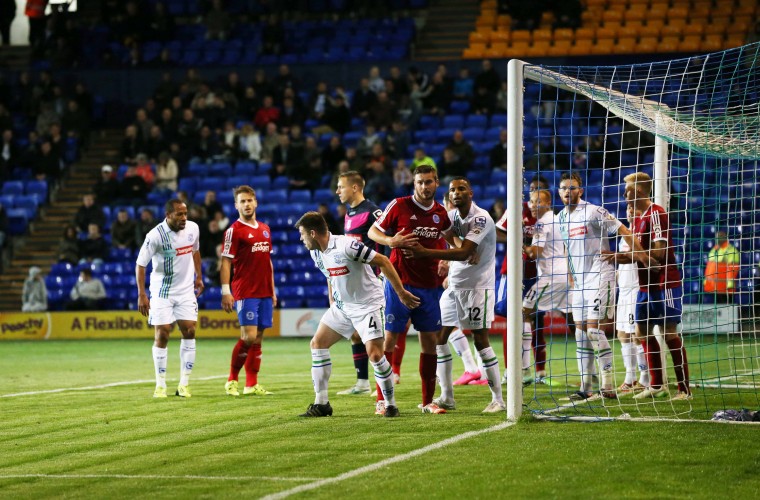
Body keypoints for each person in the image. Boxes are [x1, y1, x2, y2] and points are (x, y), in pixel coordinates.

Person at [294, 211, 420, 417]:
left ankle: (390, 404)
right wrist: (332, 299)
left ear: (313, 233)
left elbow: (383, 261)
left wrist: (401, 293)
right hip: (343, 307)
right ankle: (322, 403)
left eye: (302, 234)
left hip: (368, 305)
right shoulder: (315, 252)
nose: (301, 239)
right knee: (317, 344)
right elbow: (330, 275)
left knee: (376, 355)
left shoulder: (347, 246)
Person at [403, 177, 504, 412]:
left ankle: (498, 399)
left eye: (461, 189)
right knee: (440, 338)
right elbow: (449, 240)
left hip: (478, 287)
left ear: (471, 193)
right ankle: (447, 396)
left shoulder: (480, 218)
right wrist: (442, 260)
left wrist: (425, 254)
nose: (456, 193)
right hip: (454, 287)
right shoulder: (451, 217)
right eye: (452, 190)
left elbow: (465, 252)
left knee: (480, 340)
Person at [368, 164, 451, 414]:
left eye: (428, 182)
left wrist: (447, 259)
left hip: (430, 286)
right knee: (390, 338)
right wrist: (390, 240)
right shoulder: (399, 205)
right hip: (398, 282)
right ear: (413, 184)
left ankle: (427, 402)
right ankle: (382, 400)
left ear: (436, 182)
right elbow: (373, 232)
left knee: (430, 342)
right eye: (420, 182)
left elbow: (451, 240)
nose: (424, 187)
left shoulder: (440, 212)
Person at [603, 172, 690, 400]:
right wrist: (614, 256)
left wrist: (638, 256)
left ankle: (684, 389)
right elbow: (638, 256)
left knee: (668, 332)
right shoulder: (640, 218)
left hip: (664, 282)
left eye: (627, 191)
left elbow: (659, 253)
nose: (624, 195)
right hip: (645, 285)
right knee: (641, 331)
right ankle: (657, 385)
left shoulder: (656, 214)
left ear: (638, 192)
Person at [557, 171, 643, 401]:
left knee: (594, 330)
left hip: (600, 275)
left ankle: (607, 383)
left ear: (580, 190)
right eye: (564, 187)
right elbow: (567, 248)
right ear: (559, 191)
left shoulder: (594, 211)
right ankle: (586, 386)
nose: (568, 191)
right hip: (579, 283)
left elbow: (623, 229)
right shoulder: (560, 218)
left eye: (572, 187)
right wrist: (570, 275)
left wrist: (640, 254)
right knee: (579, 333)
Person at [136, 199, 204, 399]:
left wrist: (199, 276)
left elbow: (195, 251)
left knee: (190, 330)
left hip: (185, 291)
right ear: (168, 216)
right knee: (163, 334)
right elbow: (140, 264)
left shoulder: (193, 228)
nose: (184, 218)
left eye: (185, 213)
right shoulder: (155, 236)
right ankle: (160, 384)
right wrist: (142, 294)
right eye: (179, 214)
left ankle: (184, 384)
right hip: (162, 292)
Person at [221, 186, 277, 397]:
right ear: (236, 205)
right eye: (242, 201)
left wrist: (272, 290)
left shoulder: (265, 228)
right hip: (245, 291)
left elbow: (268, 262)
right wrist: (226, 291)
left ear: (256, 203)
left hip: (264, 290)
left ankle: (251, 384)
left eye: (249, 200)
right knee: (248, 337)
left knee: (258, 337)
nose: (246, 204)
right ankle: (232, 380)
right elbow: (226, 262)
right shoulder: (233, 231)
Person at [332, 171, 384, 396]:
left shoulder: (373, 211)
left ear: (354, 188)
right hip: (355, 282)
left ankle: (382, 384)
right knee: (355, 334)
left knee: (376, 336)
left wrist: (383, 273)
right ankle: (362, 383)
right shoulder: (349, 213)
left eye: (340, 186)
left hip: (373, 282)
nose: (337, 191)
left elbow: (387, 241)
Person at [521, 188, 572, 387]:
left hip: (550, 277)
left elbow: (535, 253)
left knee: (524, 312)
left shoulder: (542, 223)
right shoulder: (560, 219)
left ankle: (524, 371)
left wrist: (520, 242)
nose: (532, 205)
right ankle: (592, 373)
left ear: (548, 202)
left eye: (536, 202)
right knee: (574, 321)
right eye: (531, 202)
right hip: (566, 278)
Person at [615, 204, 650, 394]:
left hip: (636, 288)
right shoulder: (625, 233)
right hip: (624, 290)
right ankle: (631, 377)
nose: (629, 210)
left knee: (637, 334)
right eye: (628, 207)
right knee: (622, 334)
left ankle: (644, 377)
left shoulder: (642, 231)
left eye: (634, 207)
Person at [703, 230, 740, 304]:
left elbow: (733, 268)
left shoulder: (732, 250)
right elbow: (709, 267)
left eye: (720, 236)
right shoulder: (714, 249)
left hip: (725, 288)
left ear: (725, 237)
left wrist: (729, 285)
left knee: (726, 311)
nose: (718, 238)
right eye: (717, 236)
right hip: (712, 287)